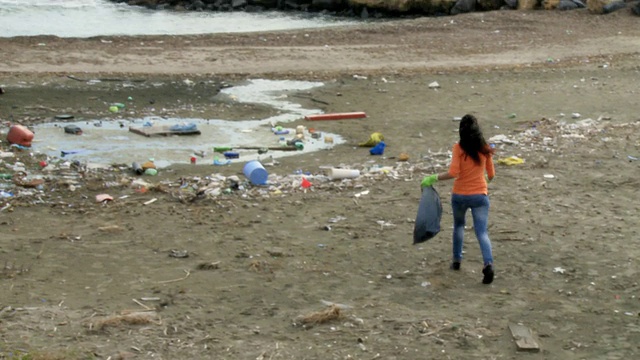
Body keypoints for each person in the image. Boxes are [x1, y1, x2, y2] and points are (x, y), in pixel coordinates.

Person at [421, 114, 496, 284]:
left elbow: (453, 173)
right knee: (482, 232)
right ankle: (488, 264)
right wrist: (482, 177)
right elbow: (491, 175)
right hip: (479, 196)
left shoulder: (458, 148)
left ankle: (456, 260)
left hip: (460, 195)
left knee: (459, 226)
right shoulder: (485, 149)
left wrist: (434, 178)